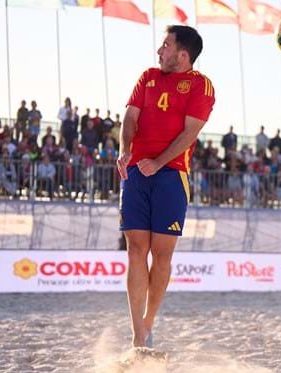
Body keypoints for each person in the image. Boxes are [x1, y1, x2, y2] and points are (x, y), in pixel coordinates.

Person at [117, 25, 215, 348]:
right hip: (136, 172)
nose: (160, 51)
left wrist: (158, 162)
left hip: (171, 175)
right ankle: (136, 334)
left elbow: (190, 134)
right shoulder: (147, 77)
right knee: (134, 250)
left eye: (166, 45)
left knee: (161, 256)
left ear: (182, 55)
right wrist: (124, 150)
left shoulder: (201, 85)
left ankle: (148, 323)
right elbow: (129, 118)